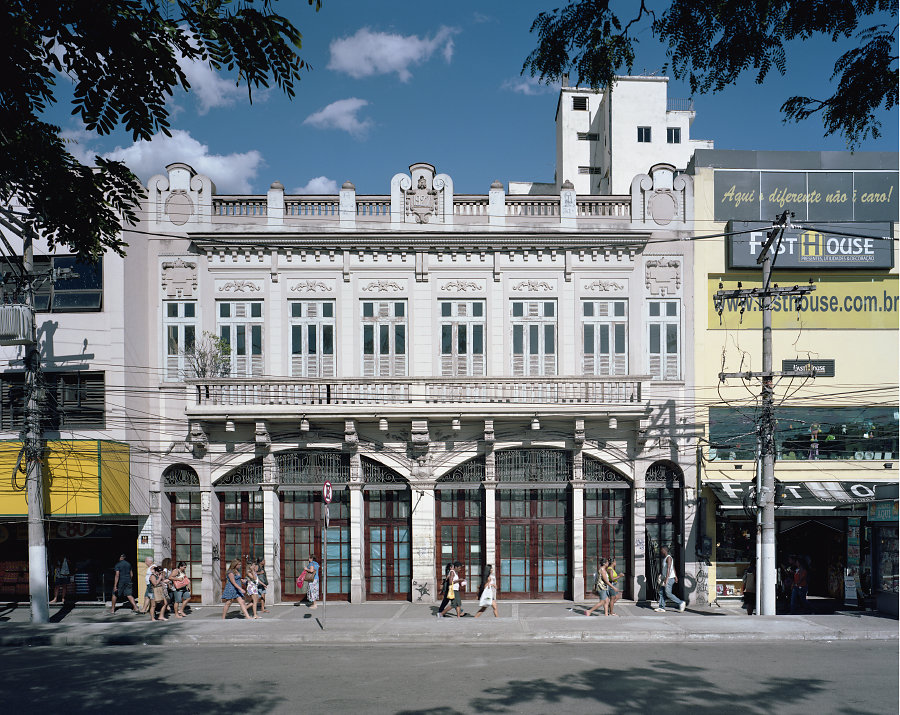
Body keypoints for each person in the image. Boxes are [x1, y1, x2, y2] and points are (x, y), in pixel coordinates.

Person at [654, 546, 686, 613]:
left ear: (665, 550)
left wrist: (666, 579)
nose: (661, 551)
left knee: (668, 593)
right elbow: (672, 567)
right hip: (665, 578)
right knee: (661, 592)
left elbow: (669, 568)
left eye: (661, 550)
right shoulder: (666, 558)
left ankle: (680, 602)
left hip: (668, 578)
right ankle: (661, 607)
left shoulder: (668, 558)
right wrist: (675, 576)